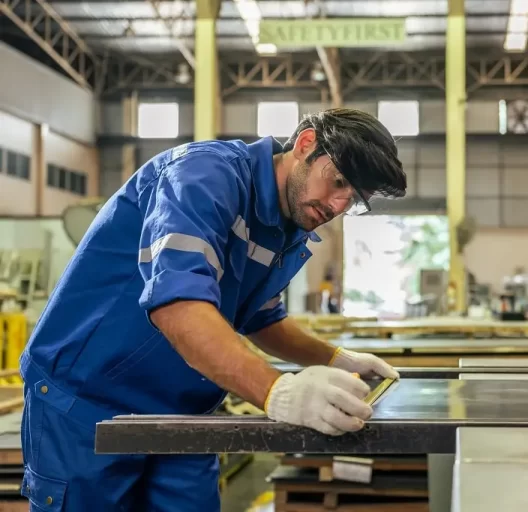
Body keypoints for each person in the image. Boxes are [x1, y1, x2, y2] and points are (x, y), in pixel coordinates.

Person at [19, 108, 407, 511]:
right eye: (339, 181)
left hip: (183, 409)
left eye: (355, 199)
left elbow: (260, 317)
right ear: (305, 144)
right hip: (87, 403)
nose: (338, 205)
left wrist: (337, 359)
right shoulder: (202, 177)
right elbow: (178, 306)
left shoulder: (289, 225)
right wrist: (277, 391)